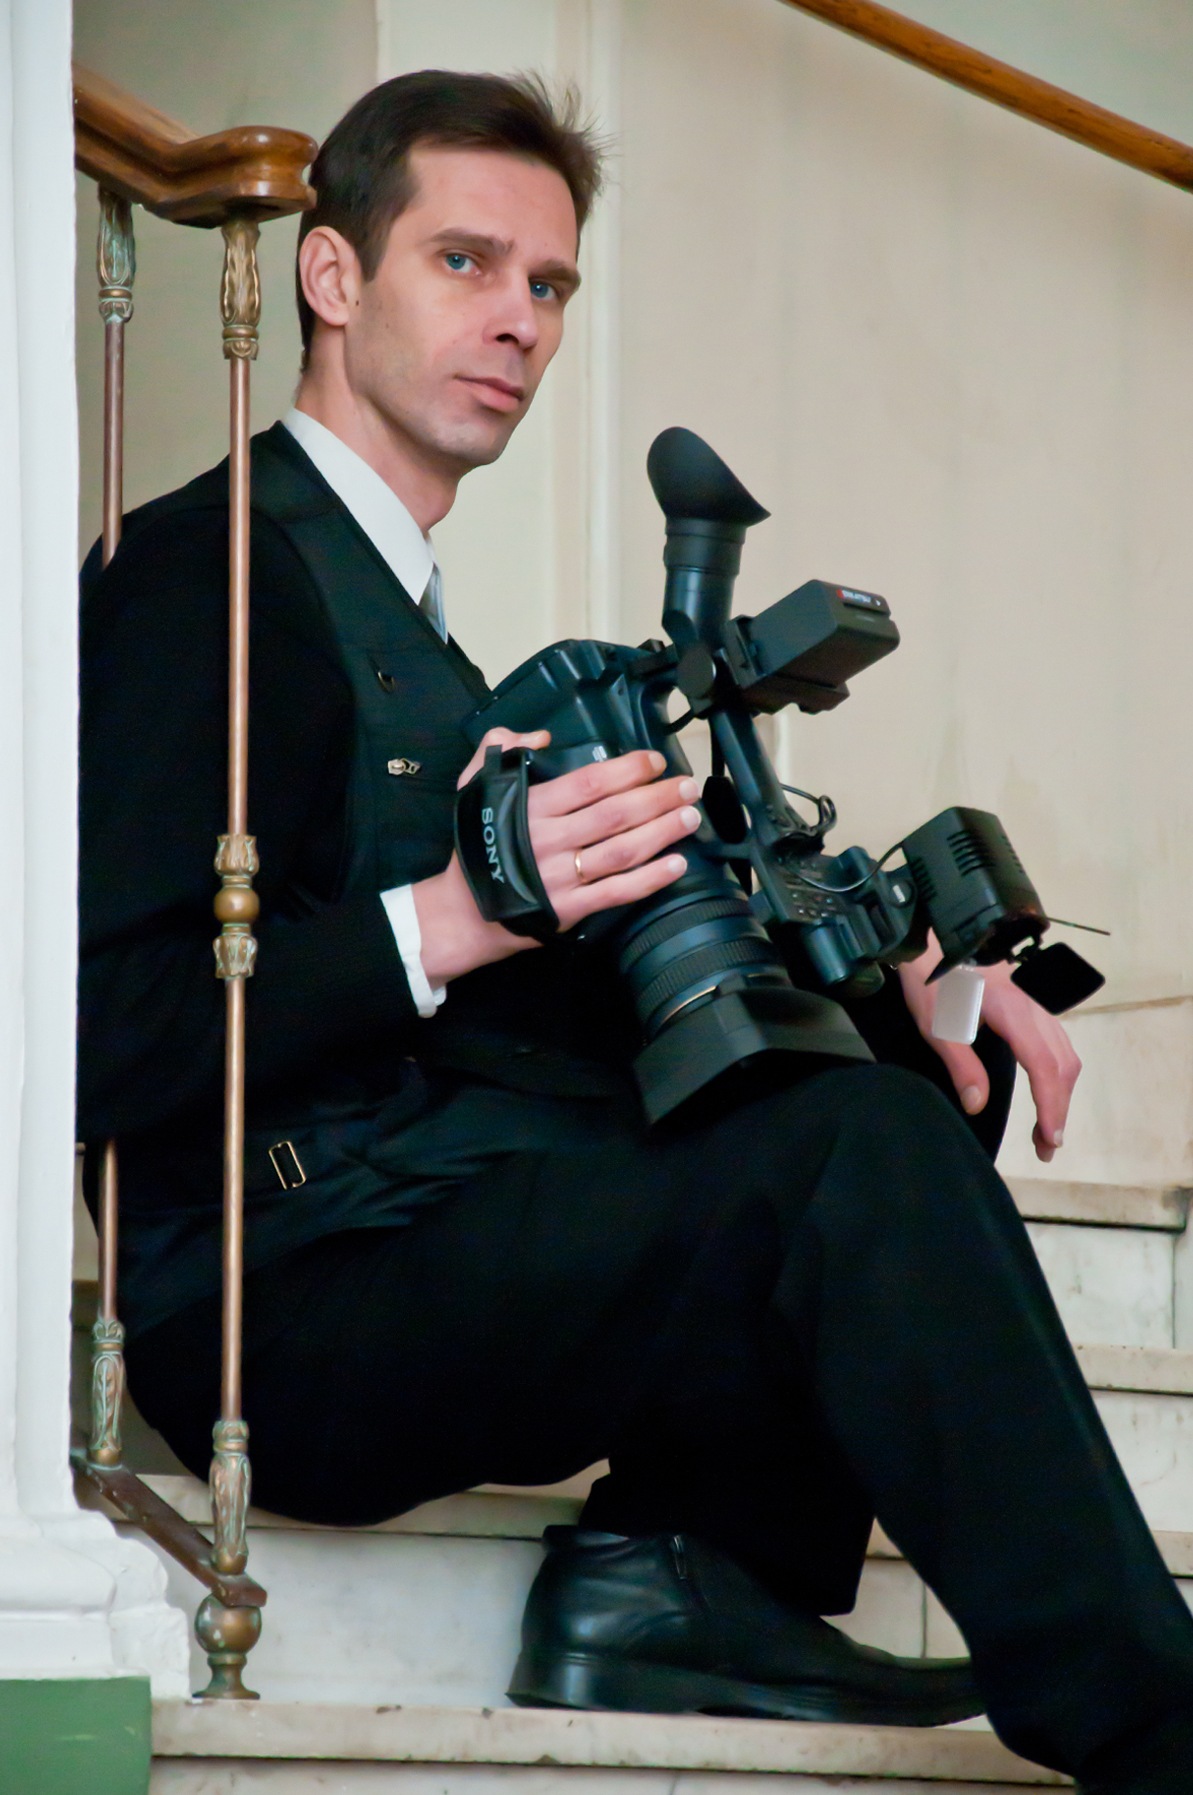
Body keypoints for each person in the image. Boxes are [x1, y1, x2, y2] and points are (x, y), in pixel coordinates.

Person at [78, 71, 1193, 1792]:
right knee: (850, 1156)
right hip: (286, 1303)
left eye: (547, 284)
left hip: (443, 1211)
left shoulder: (412, 635)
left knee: (885, 1082)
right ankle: (1152, 1727)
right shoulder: (201, 578)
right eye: (464, 262)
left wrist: (902, 980)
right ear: (329, 275)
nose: (516, 320)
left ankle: (684, 1582)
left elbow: (545, 1011)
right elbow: (102, 1034)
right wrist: (455, 913)